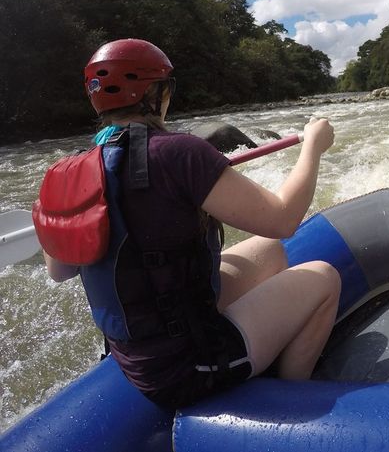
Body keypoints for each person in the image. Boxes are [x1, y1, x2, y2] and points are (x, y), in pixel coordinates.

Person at [34, 38, 341, 408]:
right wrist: (313, 148)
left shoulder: (68, 173)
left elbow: (59, 270)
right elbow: (284, 218)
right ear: (158, 93)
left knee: (268, 251)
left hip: (138, 349)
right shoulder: (179, 153)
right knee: (324, 276)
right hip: (188, 365)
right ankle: (293, 397)